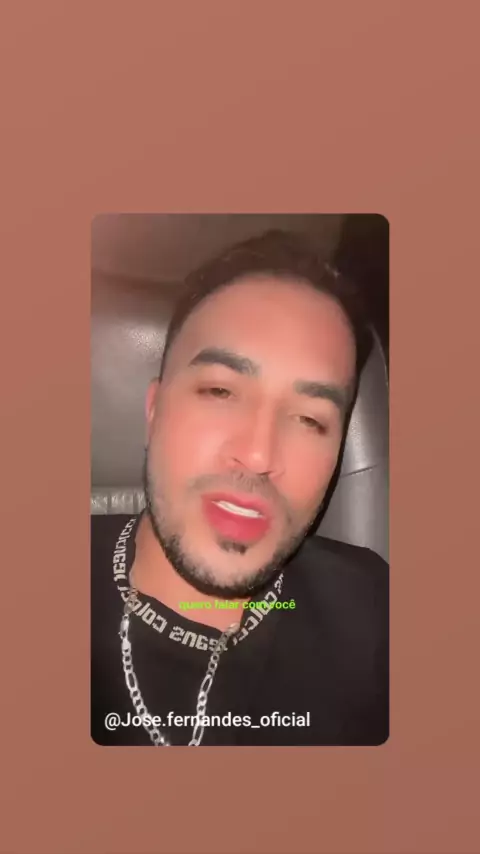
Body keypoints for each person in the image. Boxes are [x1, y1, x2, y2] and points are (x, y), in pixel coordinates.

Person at [91, 229, 389, 747]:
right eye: (220, 391)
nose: (257, 455)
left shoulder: (378, 615)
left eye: (310, 419)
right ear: (154, 410)